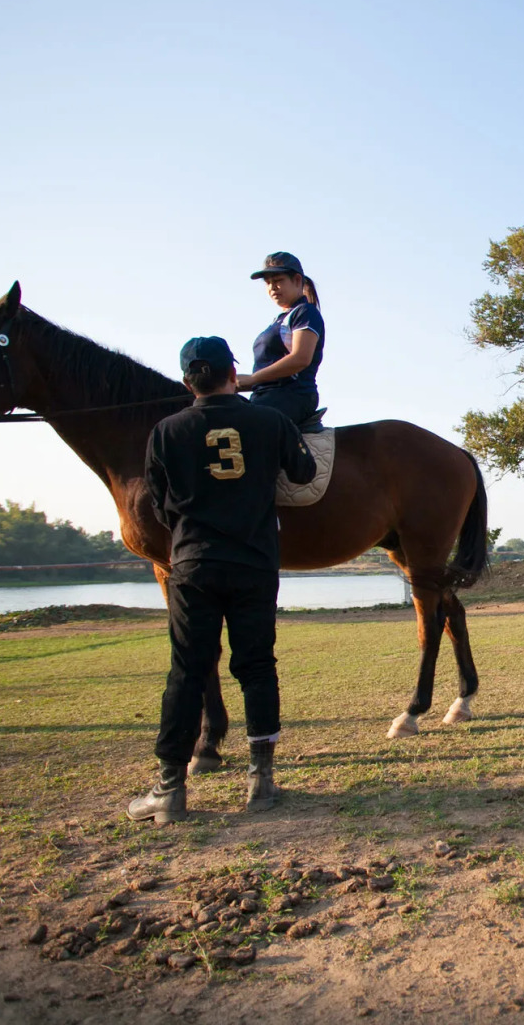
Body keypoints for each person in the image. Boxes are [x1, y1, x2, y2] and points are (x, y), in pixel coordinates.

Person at [128, 336, 316, 824]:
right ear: (234, 373)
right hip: (254, 564)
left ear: (188, 382)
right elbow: (304, 472)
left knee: (187, 671)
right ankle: (261, 782)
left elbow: (158, 502)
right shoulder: (270, 421)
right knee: (257, 667)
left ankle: (170, 790)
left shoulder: (165, 431)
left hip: (193, 564)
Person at [237, 251, 325, 427]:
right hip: (266, 396)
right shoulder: (279, 319)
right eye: (268, 283)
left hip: (292, 395)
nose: (272, 287)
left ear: (297, 280)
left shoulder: (305, 313)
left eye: (278, 280)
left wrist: (252, 379)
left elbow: (300, 358)